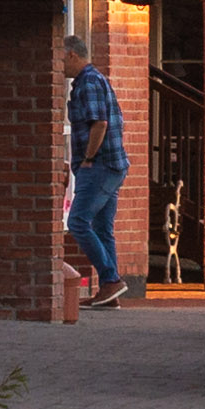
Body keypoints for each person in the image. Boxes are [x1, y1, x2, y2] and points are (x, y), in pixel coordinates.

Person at [63, 34, 131, 305]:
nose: (58, 64)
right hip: (112, 165)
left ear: (72, 55)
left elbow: (99, 123)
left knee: (78, 222)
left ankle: (111, 279)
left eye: (60, 57)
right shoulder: (94, 79)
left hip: (100, 165)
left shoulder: (89, 81)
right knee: (103, 228)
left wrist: (88, 158)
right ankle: (109, 292)